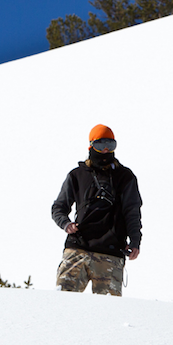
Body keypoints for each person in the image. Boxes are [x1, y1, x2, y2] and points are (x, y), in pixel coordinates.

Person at [51, 124, 142, 296]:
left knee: (108, 313)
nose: (106, 150)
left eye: (111, 145)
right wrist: (66, 224)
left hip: (111, 253)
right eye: (101, 145)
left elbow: (132, 211)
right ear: (91, 145)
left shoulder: (125, 177)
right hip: (77, 249)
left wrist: (135, 240)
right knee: (63, 303)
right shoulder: (77, 175)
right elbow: (58, 207)